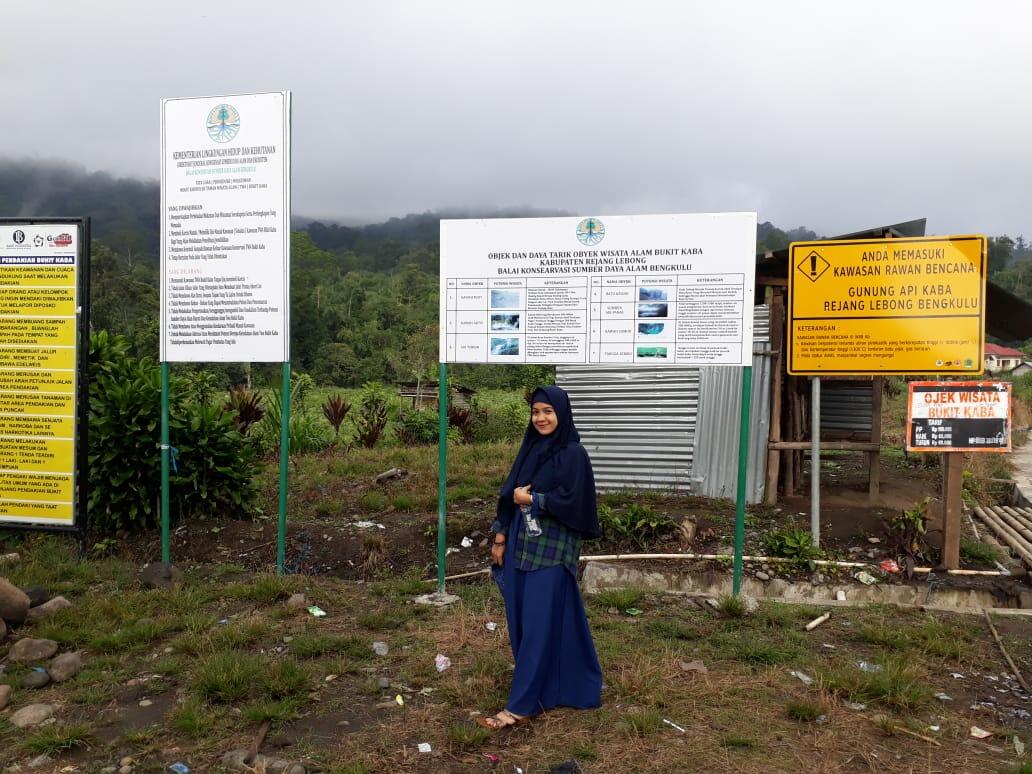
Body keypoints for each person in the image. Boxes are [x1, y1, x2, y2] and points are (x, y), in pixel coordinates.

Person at [477, 385, 603, 730]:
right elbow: (509, 494)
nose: (541, 418)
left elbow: (575, 502)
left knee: (537, 624)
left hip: (552, 548)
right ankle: (563, 686)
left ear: (561, 413)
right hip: (520, 542)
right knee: (527, 619)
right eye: (535, 412)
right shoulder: (531, 448)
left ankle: (521, 705)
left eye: (548, 411)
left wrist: (535, 501)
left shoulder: (573, 454)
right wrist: (500, 536)